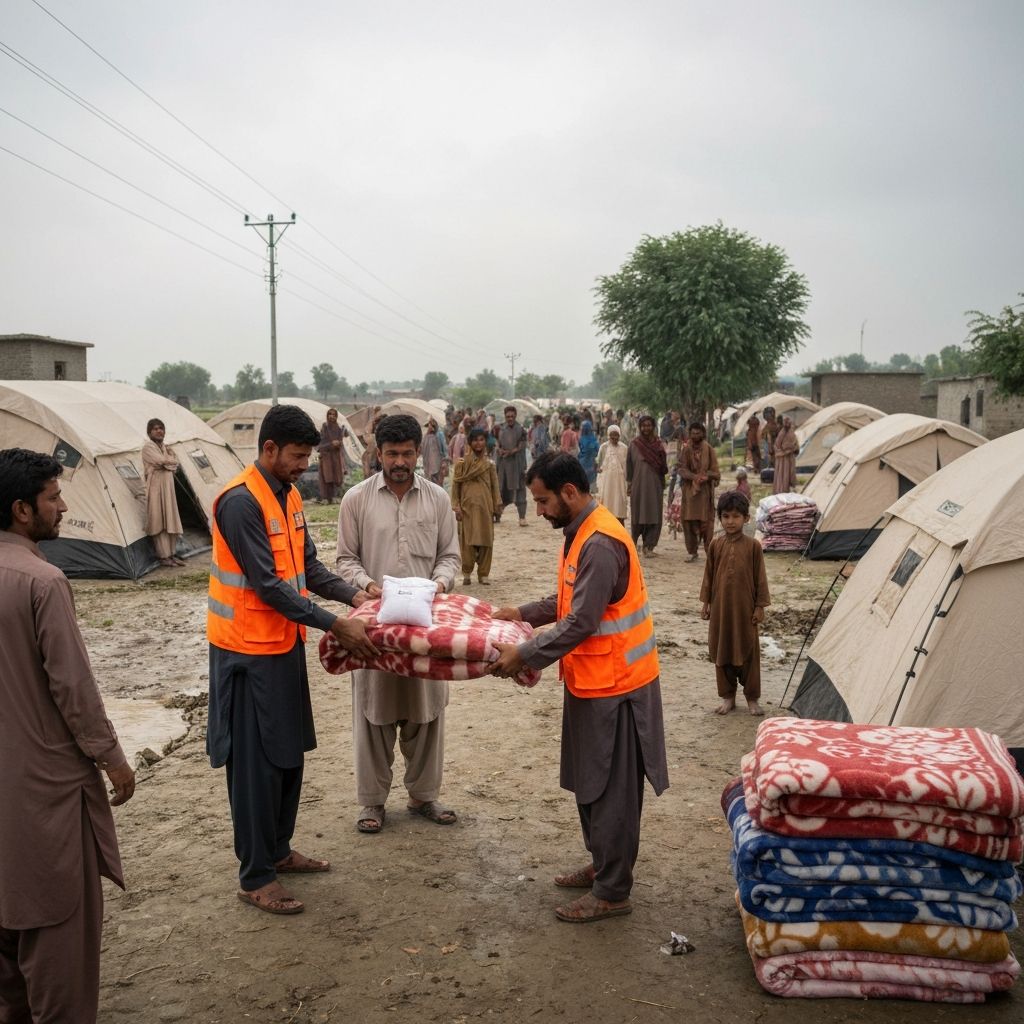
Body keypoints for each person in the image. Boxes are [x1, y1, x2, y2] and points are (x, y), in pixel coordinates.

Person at [207, 404, 378, 916]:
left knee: (287, 755)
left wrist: (356, 596)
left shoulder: (289, 496)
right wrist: (335, 624)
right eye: (296, 457)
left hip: (280, 647)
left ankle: (278, 850)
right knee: (255, 769)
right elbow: (266, 584)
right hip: (244, 655)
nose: (303, 465)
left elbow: (308, 567)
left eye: (306, 457)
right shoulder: (240, 504)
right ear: (268, 449)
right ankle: (255, 876)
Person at [488, 452, 668, 923]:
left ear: (571, 492)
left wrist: (523, 654)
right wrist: (522, 613)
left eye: (544, 501)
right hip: (592, 682)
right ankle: (602, 864)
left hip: (619, 688)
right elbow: (569, 601)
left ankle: (613, 891)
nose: (541, 510)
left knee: (612, 792)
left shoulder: (601, 541)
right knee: (589, 783)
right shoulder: (578, 533)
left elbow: (584, 621)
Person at [0, 448, 136, 1023]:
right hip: (45, 792)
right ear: (22, 510)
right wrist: (113, 759)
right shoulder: (43, 581)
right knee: (59, 941)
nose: (62, 507)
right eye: (54, 497)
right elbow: (73, 691)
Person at [336, 414, 462, 835]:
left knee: (427, 711)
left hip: (426, 626)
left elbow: (450, 556)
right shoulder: (356, 499)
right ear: (378, 453)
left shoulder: (438, 499)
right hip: (375, 628)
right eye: (392, 454)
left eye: (408, 453)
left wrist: (439, 582)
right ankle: (372, 803)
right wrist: (366, 584)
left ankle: (424, 796)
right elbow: (345, 560)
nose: (400, 462)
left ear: (418, 452)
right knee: (373, 711)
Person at [700, 490, 770, 717]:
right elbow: (709, 576)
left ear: (746, 518)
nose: (730, 522)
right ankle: (728, 697)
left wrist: (759, 607)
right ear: (720, 518)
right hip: (721, 610)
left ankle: (752, 698)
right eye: (726, 516)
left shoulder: (753, 547)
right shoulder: (715, 545)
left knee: (749, 651)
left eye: (736, 517)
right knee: (721, 651)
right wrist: (706, 603)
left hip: (745, 610)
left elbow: (760, 578)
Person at [451, 427, 502, 585]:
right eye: (475, 440)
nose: (478, 443)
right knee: (467, 540)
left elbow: (495, 487)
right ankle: (466, 573)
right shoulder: (462, 464)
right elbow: (455, 486)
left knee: (486, 540)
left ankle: (483, 574)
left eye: (481, 440)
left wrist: (497, 505)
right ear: (470, 442)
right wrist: (456, 506)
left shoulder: (489, 465)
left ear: (485, 441)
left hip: (486, 508)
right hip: (467, 508)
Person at [142, 417, 184, 567]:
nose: (159, 431)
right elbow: (161, 461)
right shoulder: (148, 447)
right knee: (159, 521)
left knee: (170, 519)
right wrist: (168, 461)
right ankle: (163, 556)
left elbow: (174, 462)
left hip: (168, 490)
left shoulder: (165, 448)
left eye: (161, 428)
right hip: (156, 489)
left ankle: (171, 554)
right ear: (149, 432)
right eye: (155, 428)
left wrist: (168, 461)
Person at [677, 421, 720, 562]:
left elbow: (716, 473)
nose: (695, 435)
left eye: (698, 433)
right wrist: (694, 477)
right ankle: (692, 551)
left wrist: (706, 476)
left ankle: (709, 552)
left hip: (704, 493)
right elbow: (681, 469)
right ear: (689, 434)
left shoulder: (709, 450)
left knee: (706, 523)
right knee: (689, 523)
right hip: (690, 493)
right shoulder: (686, 450)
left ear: (703, 434)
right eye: (693, 433)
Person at [626, 415, 667, 556]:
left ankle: (648, 547)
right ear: (640, 427)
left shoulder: (659, 444)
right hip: (638, 485)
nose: (646, 428)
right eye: (643, 426)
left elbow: (663, 467)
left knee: (654, 514)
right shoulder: (634, 444)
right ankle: (634, 544)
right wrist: (629, 484)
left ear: (653, 427)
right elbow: (629, 467)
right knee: (638, 514)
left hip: (655, 485)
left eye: (649, 425)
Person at [496, 405, 529, 526]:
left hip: (517, 464)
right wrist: (499, 450)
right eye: (507, 416)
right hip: (504, 465)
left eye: (512, 416)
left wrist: (511, 451)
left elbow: (522, 445)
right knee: (501, 490)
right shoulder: (500, 429)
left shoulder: (521, 430)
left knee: (520, 491)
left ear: (515, 416)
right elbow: (497, 444)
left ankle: (522, 517)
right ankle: (497, 514)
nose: (510, 418)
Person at [596, 424, 627, 524]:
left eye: (616, 435)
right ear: (608, 435)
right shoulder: (604, 447)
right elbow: (598, 462)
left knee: (619, 504)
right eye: (612, 435)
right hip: (607, 482)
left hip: (620, 482)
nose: (614, 437)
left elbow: (626, 466)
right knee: (606, 505)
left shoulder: (624, 448)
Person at [317, 408, 348, 503]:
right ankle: (326, 498)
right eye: (330, 414)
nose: (332, 416)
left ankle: (334, 497)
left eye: (334, 414)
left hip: (335, 456)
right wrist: (331, 444)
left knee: (336, 477)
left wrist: (338, 443)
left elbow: (342, 441)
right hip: (326, 456)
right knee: (327, 477)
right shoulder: (324, 428)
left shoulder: (339, 428)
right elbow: (320, 444)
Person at [772, 416, 799, 494]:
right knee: (782, 474)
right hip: (783, 458)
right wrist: (785, 450)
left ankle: (787, 489)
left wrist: (791, 449)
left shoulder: (791, 433)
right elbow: (777, 446)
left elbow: (795, 445)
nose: (787, 425)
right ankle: (782, 490)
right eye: (786, 424)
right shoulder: (782, 433)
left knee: (787, 474)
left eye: (788, 424)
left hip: (788, 458)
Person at [421, 418, 448, 487]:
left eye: (430, 425)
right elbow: (422, 447)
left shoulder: (439, 434)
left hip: (438, 461)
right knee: (430, 481)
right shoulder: (426, 436)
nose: (429, 428)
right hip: (428, 462)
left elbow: (444, 448)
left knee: (438, 480)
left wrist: (444, 460)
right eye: (428, 426)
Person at [578, 419, 599, 488]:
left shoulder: (580, 439)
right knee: (591, 484)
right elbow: (597, 451)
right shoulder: (594, 439)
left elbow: (578, 451)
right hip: (592, 464)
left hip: (582, 464)